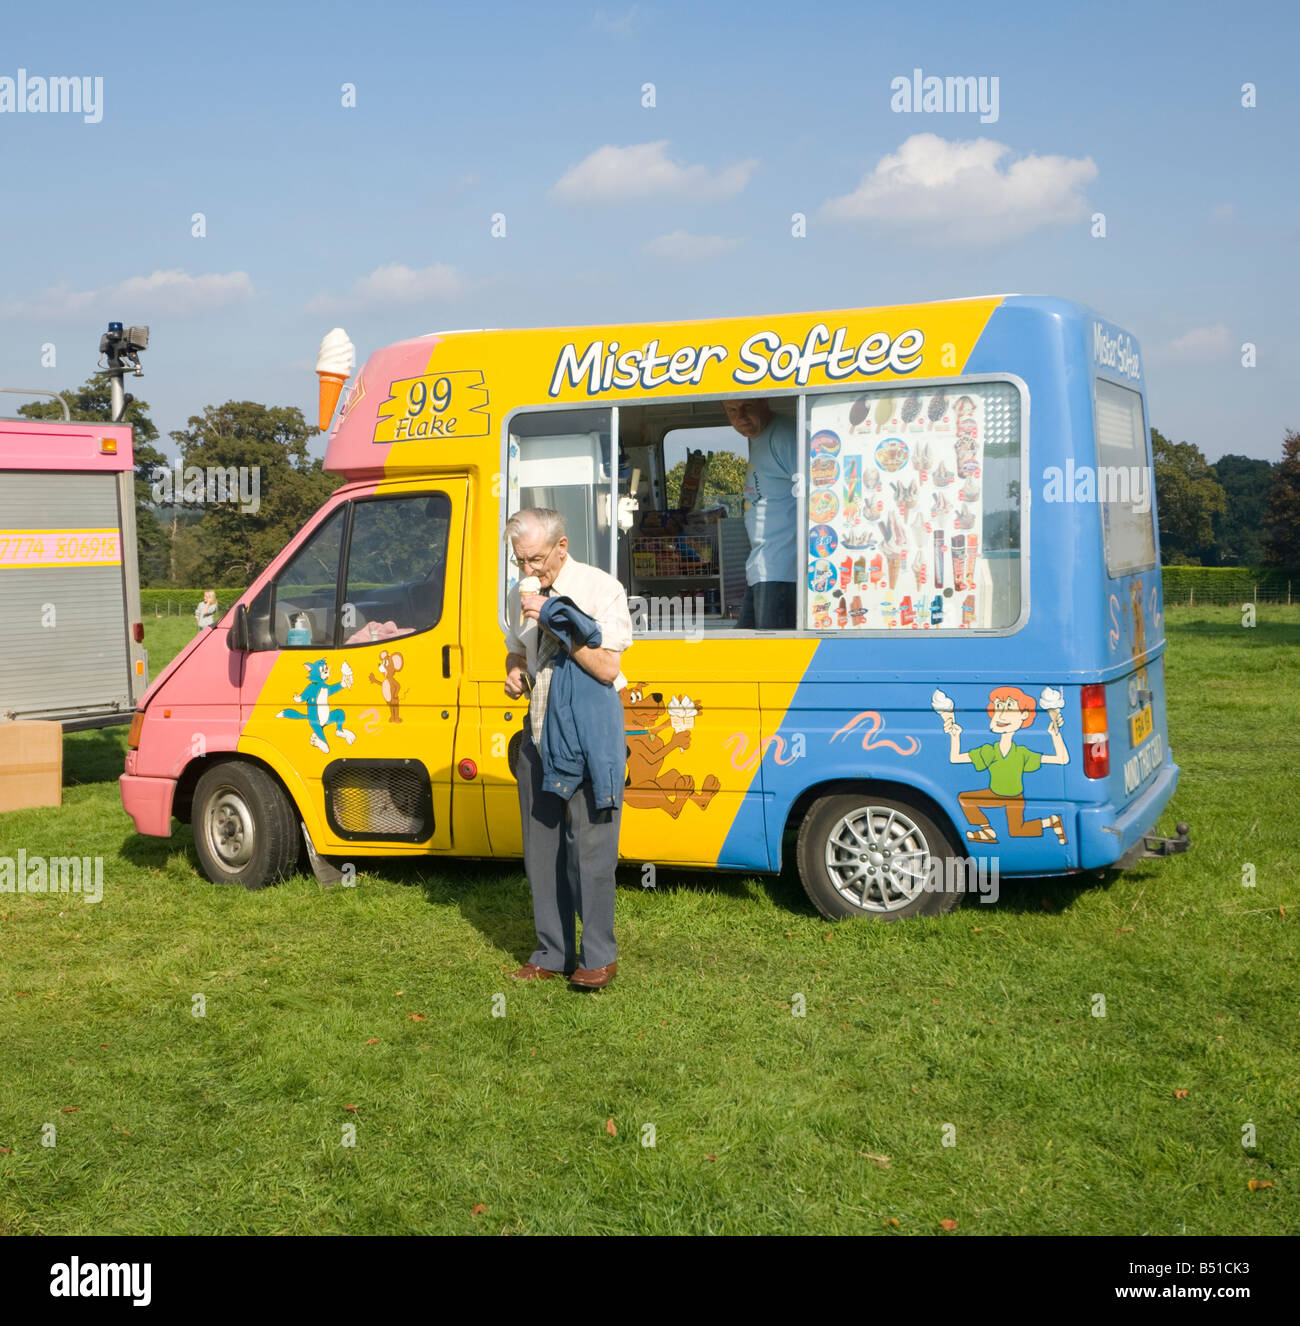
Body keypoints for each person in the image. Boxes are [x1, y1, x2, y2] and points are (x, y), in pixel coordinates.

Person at [504, 508, 633, 990]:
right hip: (538, 735)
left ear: (561, 546)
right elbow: (517, 648)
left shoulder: (602, 589)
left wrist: (556, 622)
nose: (528, 570)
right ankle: (551, 952)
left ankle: (598, 956)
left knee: (591, 853)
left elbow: (606, 666)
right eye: (520, 561)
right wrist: (514, 668)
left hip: (587, 738)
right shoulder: (522, 591)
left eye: (536, 559)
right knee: (542, 852)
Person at [724, 398, 798, 628]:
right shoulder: (758, 439)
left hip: (784, 569)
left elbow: (817, 496)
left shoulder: (785, 436)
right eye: (732, 411)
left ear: (764, 402)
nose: (740, 418)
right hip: (763, 567)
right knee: (746, 653)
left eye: (747, 407)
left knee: (772, 658)